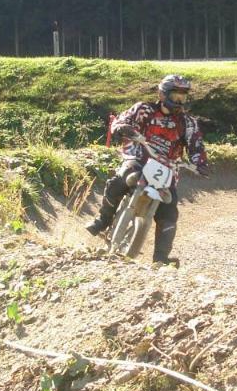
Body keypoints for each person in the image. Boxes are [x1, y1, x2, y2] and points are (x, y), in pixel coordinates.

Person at [86, 74, 211, 265]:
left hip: (168, 168)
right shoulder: (144, 109)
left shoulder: (188, 123)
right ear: (162, 94)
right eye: (175, 95)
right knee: (121, 180)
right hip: (139, 156)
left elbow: (197, 146)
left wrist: (200, 163)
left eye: (183, 96)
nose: (179, 100)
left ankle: (161, 258)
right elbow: (120, 121)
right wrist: (123, 128)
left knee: (169, 211)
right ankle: (103, 220)